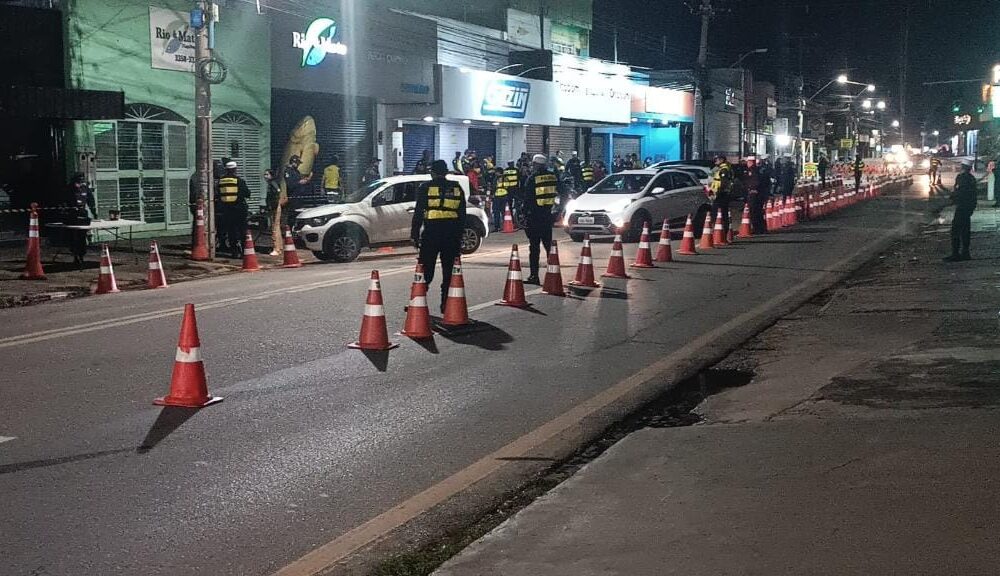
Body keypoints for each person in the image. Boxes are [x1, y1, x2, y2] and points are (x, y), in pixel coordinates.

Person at [411, 160, 467, 312]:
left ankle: (418, 303)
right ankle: (446, 304)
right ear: (446, 172)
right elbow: (462, 214)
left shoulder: (425, 188)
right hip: (451, 236)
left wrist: (414, 235)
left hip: (431, 234)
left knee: (425, 269)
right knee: (449, 271)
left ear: (433, 173)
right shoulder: (456, 188)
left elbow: (418, 213)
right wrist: (460, 235)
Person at [524, 154, 558, 284]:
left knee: (534, 248)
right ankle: (554, 274)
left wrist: (524, 214)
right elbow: (562, 192)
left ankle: (534, 276)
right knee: (548, 247)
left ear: (536, 164)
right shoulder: (553, 177)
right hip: (548, 216)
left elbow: (527, 198)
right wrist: (557, 210)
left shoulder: (533, 178)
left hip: (535, 217)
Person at [944, 160, 978, 262]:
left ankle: (955, 253)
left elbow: (959, 191)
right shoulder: (972, 178)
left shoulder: (961, 177)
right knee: (965, 230)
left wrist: (953, 198)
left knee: (956, 230)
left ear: (963, 167)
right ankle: (965, 252)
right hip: (968, 207)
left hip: (962, 207)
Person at [217, 161, 252, 259]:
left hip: (226, 210)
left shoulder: (221, 181)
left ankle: (234, 252)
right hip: (239, 209)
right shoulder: (239, 181)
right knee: (242, 230)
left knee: (231, 231)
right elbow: (247, 193)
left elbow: (218, 194)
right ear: (235, 169)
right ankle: (244, 251)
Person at [64, 173, 96, 266]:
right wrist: (66, 209)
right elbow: (63, 201)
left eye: (81, 180)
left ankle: (81, 255)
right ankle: (75, 255)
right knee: (73, 236)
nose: (79, 183)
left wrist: (94, 212)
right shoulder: (68, 189)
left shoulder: (85, 188)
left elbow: (91, 200)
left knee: (82, 236)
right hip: (71, 216)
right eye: (78, 180)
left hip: (82, 215)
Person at [283, 154, 310, 231]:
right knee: (292, 215)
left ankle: (296, 230)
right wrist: (300, 182)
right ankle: (289, 231)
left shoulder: (296, 171)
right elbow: (290, 185)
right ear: (293, 162)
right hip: (293, 197)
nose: (298, 165)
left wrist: (305, 181)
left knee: (299, 214)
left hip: (299, 197)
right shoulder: (288, 171)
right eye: (297, 163)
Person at [710, 155, 735, 235]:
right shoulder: (721, 168)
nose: (715, 161)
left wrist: (718, 192)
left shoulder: (724, 169)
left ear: (721, 160)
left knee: (720, 212)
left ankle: (722, 232)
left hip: (721, 194)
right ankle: (721, 231)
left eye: (717, 159)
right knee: (721, 212)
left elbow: (724, 183)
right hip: (720, 193)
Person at [741, 157, 766, 234]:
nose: (747, 163)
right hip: (758, 194)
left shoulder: (752, 170)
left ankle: (757, 229)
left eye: (748, 162)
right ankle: (761, 229)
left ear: (751, 162)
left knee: (754, 212)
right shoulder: (758, 169)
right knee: (758, 211)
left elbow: (754, 181)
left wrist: (752, 188)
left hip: (753, 194)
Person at [493, 161, 519, 231]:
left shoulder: (496, 178)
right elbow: (508, 187)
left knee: (496, 212)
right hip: (505, 196)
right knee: (504, 212)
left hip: (498, 196)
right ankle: (504, 225)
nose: (495, 173)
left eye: (496, 172)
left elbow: (494, 187)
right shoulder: (506, 178)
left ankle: (497, 227)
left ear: (498, 172)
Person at [264, 169, 282, 255]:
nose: (265, 176)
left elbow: (277, 193)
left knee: (274, 228)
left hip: (274, 207)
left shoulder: (272, 183)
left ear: (271, 175)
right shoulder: (272, 183)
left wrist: (272, 206)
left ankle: (276, 248)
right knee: (276, 227)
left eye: (267, 174)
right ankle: (279, 247)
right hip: (275, 206)